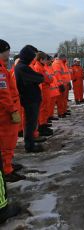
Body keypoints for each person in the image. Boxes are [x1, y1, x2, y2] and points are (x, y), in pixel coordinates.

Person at [0, 39, 26, 182]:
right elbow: (3, 94)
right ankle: (7, 170)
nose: (9, 53)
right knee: (7, 142)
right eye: (7, 51)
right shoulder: (0, 71)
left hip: (7, 111)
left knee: (7, 142)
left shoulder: (2, 68)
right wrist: (12, 111)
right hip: (6, 114)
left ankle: (7, 165)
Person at [15, 45, 44, 153]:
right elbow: (39, 78)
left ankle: (30, 143)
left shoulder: (22, 66)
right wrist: (38, 78)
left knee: (31, 123)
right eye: (32, 57)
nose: (33, 59)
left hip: (30, 99)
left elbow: (37, 77)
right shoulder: (22, 67)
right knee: (30, 123)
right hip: (30, 100)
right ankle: (30, 145)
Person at [33, 52, 53, 136]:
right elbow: (46, 79)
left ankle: (43, 124)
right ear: (41, 59)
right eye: (45, 59)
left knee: (45, 107)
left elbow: (49, 78)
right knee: (42, 108)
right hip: (43, 90)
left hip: (46, 90)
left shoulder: (41, 67)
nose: (46, 61)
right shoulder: (38, 67)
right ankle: (41, 126)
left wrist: (49, 78)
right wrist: (48, 78)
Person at [52, 53, 70, 118]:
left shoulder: (63, 63)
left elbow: (66, 74)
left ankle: (64, 111)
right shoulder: (57, 63)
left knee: (64, 99)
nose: (66, 59)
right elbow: (57, 75)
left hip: (65, 83)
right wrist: (60, 84)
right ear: (62, 58)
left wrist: (68, 82)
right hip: (61, 84)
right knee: (60, 99)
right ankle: (61, 112)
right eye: (65, 57)